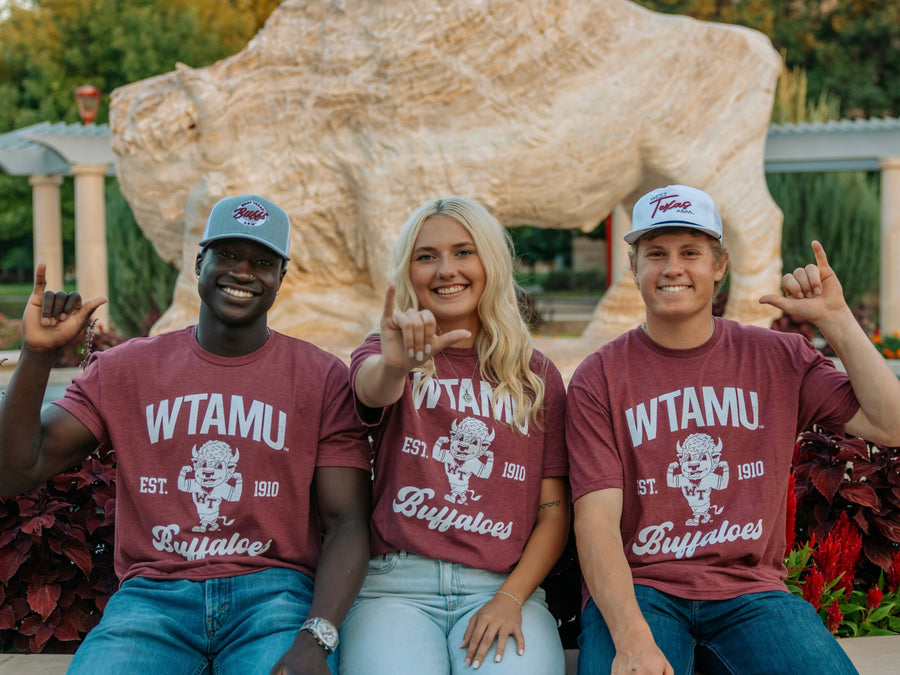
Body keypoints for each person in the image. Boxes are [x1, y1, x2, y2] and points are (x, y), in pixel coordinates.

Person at [0, 195, 373, 675]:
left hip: (273, 596)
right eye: (228, 256)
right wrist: (36, 354)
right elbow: (14, 469)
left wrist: (316, 637)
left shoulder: (321, 377)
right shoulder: (126, 369)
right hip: (153, 599)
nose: (243, 272)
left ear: (281, 277)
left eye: (262, 262)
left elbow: (346, 522)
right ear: (199, 262)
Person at [566, 184, 900, 675]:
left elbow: (889, 425)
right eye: (655, 253)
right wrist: (633, 639)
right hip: (642, 592)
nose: (672, 267)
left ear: (719, 266)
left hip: (752, 594)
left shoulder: (777, 358)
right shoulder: (600, 376)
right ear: (633, 267)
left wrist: (836, 318)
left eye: (690, 252)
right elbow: (595, 523)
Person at [338, 196, 569, 674]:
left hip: (501, 585)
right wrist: (397, 364)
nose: (446, 270)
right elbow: (371, 389)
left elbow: (553, 512)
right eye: (427, 256)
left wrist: (510, 597)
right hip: (394, 586)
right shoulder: (385, 350)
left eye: (464, 252)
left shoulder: (535, 375)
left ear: (491, 261)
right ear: (409, 271)